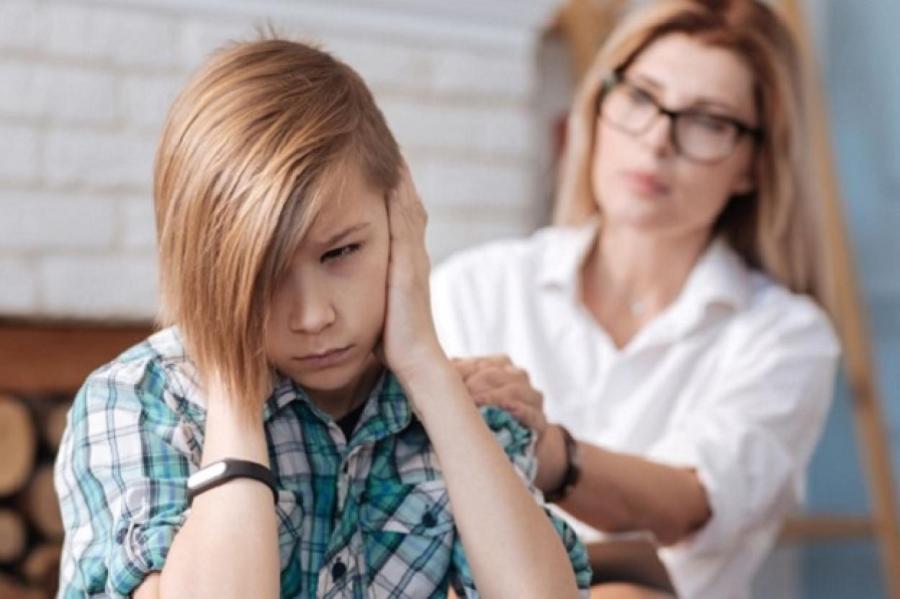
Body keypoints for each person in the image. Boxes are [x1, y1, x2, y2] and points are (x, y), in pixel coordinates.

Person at [54, 38, 591, 598]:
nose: (313, 316)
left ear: (401, 220)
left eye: (341, 252)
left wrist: (426, 365)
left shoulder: (454, 411)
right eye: (263, 274)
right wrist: (234, 385)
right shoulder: (140, 403)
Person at [431, 1, 840, 597]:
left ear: (754, 164)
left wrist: (549, 452)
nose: (657, 141)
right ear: (598, 107)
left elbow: (690, 505)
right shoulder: (476, 287)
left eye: (708, 121)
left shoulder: (786, 336)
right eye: (641, 98)